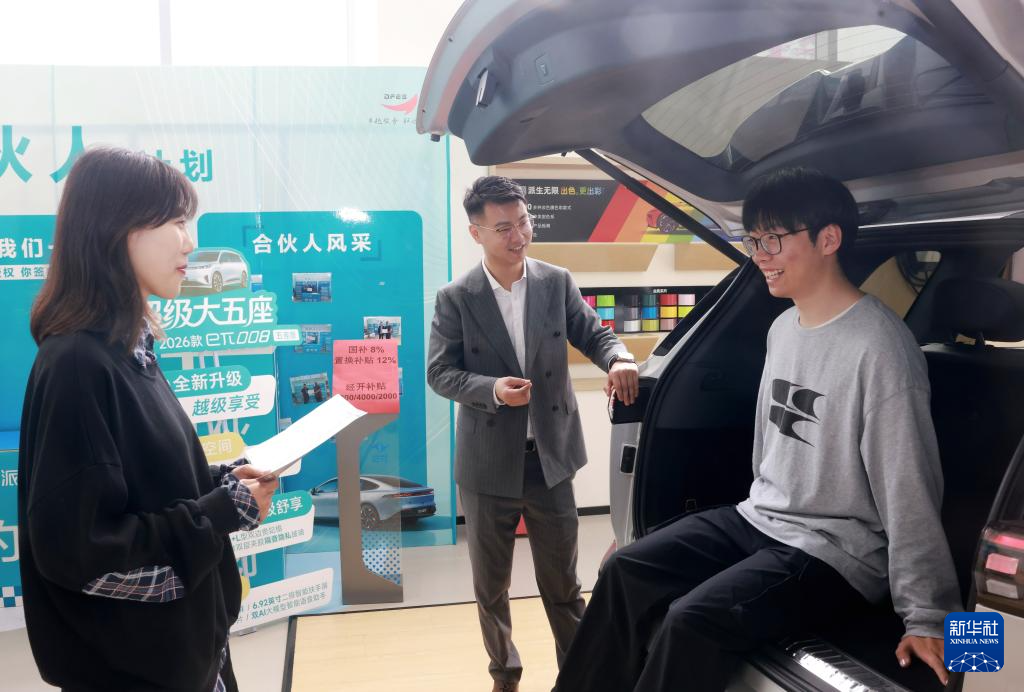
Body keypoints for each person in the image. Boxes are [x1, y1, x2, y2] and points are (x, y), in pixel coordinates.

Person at [553, 167, 962, 691]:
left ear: (828, 239)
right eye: (753, 240)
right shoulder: (783, 327)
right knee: (623, 571)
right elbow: (767, 448)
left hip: (835, 549)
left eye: (773, 239)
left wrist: (928, 615)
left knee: (690, 619)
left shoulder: (880, 347)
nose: (759, 255)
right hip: (762, 517)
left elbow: (908, 483)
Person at [17, 147, 279, 692]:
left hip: (190, 655)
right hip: (140, 672)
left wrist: (222, 484)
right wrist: (217, 511)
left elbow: (145, 485)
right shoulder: (78, 365)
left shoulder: (129, 352)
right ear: (117, 230)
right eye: (175, 221)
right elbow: (87, 556)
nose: (189, 242)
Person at [427, 176, 640, 692]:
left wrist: (619, 357)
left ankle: (580, 676)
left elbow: (594, 333)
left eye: (523, 222)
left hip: (550, 459)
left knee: (563, 584)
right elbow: (439, 372)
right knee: (491, 588)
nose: (518, 235)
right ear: (476, 233)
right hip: (487, 464)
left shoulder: (555, 281)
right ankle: (505, 675)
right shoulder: (457, 297)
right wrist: (493, 390)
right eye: (504, 227)